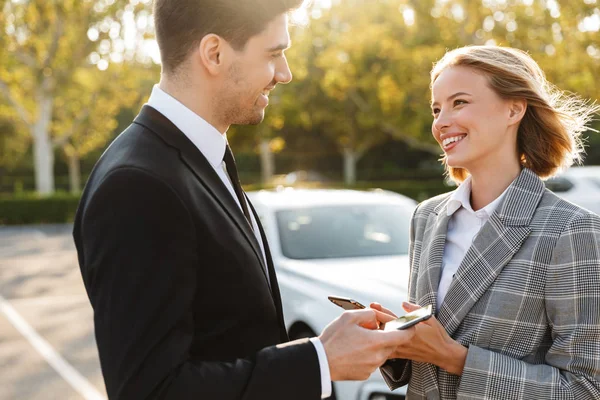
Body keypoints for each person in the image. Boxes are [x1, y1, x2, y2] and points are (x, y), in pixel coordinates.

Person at [73, 1, 405, 399]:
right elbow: (151, 390)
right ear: (214, 53)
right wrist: (320, 361)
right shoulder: (137, 185)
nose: (285, 74)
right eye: (274, 54)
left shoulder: (202, 157)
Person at [372, 45, 600, 399]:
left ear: (514, 108)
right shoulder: (428, 217)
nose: (440, 121)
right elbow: (430, 357)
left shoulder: (571, 231)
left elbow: (587, 388)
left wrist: (458, 359)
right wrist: (400, 338)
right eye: (436, 108)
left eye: (459, 102)